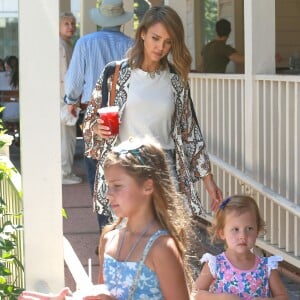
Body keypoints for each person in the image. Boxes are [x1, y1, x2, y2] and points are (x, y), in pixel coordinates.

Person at [83, 5, 223, 233]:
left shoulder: (176, 80)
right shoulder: (115, 73)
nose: (161, 47)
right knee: (127, 241)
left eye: (168, 42)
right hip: (125, 166)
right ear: (142, 33)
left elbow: (190, 132)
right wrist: (97, 128)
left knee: (164, 240)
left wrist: (209, 181)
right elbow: (89, 122)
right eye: (156, 38)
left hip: (164, 168)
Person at [18, 137, 196, 299]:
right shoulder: (109, 238)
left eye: (117, 186)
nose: (109, 194)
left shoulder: (161, 248)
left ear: (148, 186)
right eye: (108, 185)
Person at [64, 0, 133, 228]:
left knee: (98, 176)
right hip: (127, 116)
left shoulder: (85, 43)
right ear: (120, 20)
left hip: (95, 116)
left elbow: (73, 82)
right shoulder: (133, 46)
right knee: (126, 172)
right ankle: (125, 229)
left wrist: (70, 101)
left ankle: (106, 232)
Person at [192, 195, 289, 300]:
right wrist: (221, 298)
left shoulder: (266, 267)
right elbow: (195, 294)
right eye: (235, 229)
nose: (243, 235)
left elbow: (282, 297)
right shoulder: (215, 265)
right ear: (222, 232)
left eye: (249, 228)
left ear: (257, 231)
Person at [59, 12, 82, 185]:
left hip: (66, 97)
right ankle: (63, 173)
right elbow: (65, 75)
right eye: (66, 23)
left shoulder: (67, 44)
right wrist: (70, 100)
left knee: (69, 136)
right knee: (66, 137)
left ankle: (65, 171)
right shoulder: (60, 46)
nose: (70, 27)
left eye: (72, 23)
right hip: (64, 98)